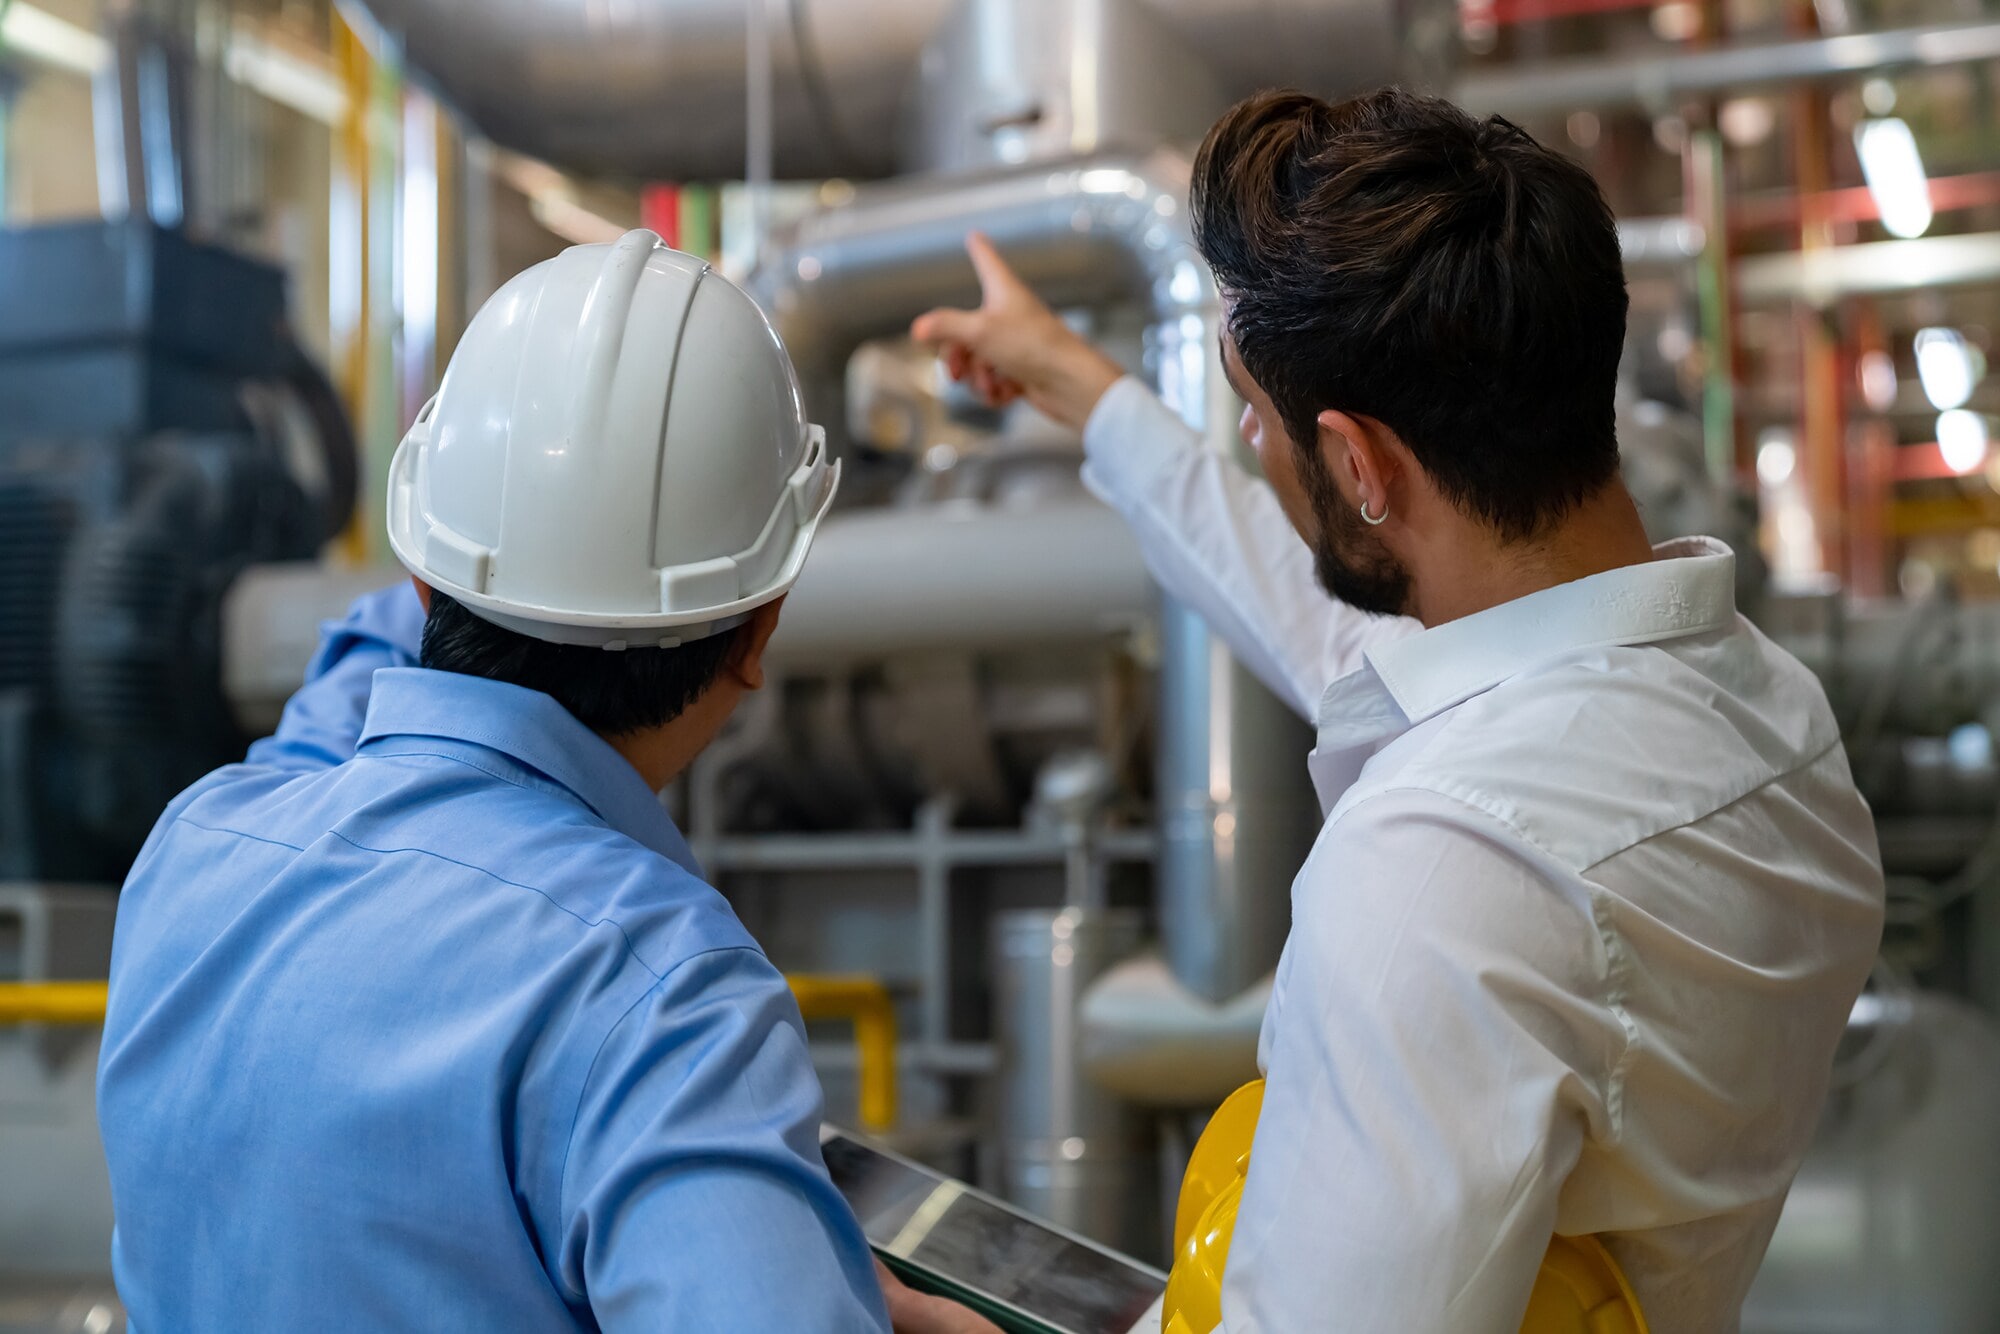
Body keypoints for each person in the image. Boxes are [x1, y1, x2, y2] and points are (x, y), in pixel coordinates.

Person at [901, 88, 1886, 1333]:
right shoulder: (1765, 718)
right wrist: (1085, 390)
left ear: (1361, 466)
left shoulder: (1442, 874)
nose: (1250, 440)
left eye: (1251, 411)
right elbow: (1319, 613)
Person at [96, 231, 894, 1331]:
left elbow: (375, 662)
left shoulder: (200, 845)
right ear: (760, 631)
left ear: (421, 571)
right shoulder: (663, 996)